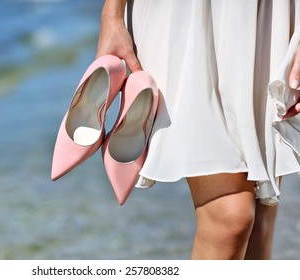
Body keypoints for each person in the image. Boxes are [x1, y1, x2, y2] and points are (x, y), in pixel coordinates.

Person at [96, 0, 300, 260]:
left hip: (268, 11)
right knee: (230, 219)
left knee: (261, 214)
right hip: (182, 13)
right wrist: (111, 14)